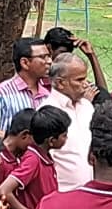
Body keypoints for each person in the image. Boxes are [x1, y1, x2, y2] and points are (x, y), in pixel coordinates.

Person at [40, 53, 94, 192]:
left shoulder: (87, 107)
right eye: (79, 80)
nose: (86, 84)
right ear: (60, 83)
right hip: (62, 192)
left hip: (92, 192)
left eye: (85, 78)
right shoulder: (48, 112)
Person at [0, 37, 52, 134]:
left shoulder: (49, 94)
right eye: (42, 57)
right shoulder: (1, 94)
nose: (49, 61)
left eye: (49, 56)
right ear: (24, 63)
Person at [43, 26, 110, 103]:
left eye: (69, 53)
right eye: (62, 53)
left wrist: (91, 55)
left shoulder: (69, 72)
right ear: (49, 49)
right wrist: (84, 102)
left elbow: (103, 95)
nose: (66, 57)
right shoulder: (42, 77)